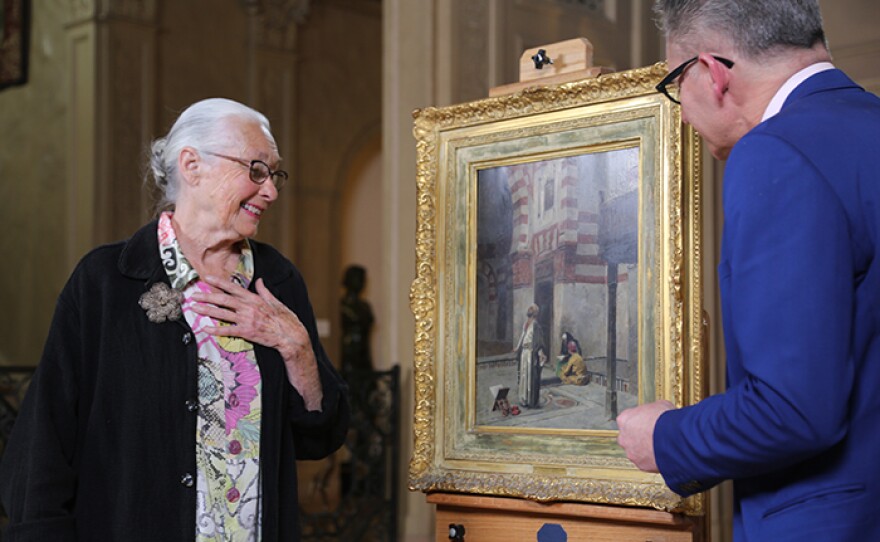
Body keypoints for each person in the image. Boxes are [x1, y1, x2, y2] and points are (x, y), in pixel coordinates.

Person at [0, 98, 350, 541]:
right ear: (192, 165)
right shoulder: (105, 283)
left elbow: (320, 438)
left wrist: (297, 349)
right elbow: (43, 443)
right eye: (256, 170)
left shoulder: (277, 281)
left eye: (274, 174)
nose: (271, 191)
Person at [617, 1, 880, 539]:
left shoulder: (776, 152)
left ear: (711, 73)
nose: (682, 115)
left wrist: (665, 437)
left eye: (674, 84)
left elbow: (791, 410)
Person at [340, 264, 375, 379]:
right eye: (358, 278)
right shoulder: (342, 305)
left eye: (362, 279)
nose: (361, 282)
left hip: (363, 353)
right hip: (348, 353)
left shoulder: (365, 306)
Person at [514, 304, 547, 408]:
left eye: (531, 310)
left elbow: (538, 341)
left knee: (530, 376)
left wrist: (540, 353)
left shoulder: (536, 325)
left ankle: (530, 400)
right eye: (529, 309)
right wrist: (517, 347)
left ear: (534, 313)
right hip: (524, 353)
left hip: (531, 353)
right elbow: (522, 336)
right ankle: (523, 399)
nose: (529, 311)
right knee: (523, 376)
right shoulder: (526, 324)